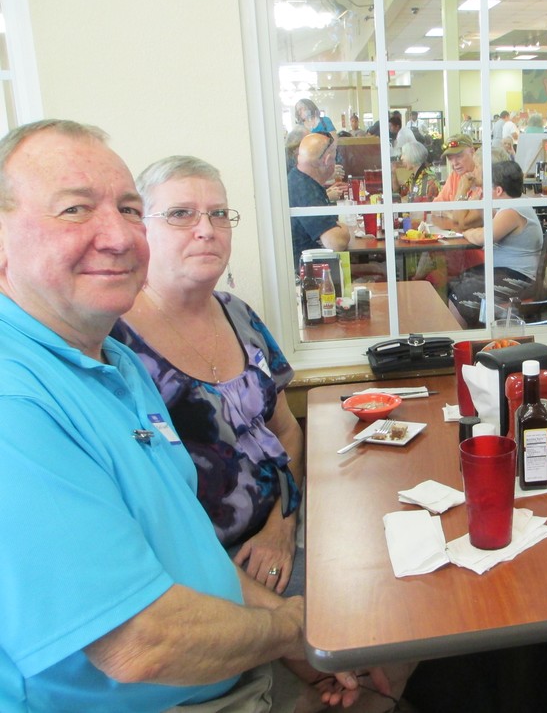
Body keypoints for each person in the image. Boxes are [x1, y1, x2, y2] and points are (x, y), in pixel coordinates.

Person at [0, 119, 384, 711]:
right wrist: (296, 631)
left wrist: (292, 623)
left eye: (128, 210)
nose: (117, 236)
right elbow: (139, 645)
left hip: (231, 645)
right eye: (75, 209)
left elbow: (189, 546)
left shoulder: (111, 362)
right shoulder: (19, 402)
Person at [111, 155, 305, 598]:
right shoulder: (113, 343)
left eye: (218, 213)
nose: (207, 229)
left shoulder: (240, 314)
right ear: (140, 227)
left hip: (284, 516)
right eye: (181, 214)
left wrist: (282, 525)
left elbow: (287, 431)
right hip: (196, 567)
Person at [447, 160, 543, 328]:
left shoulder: (511, 211)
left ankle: (464, 336)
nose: (484, 190)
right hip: (511, 272)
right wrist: (481, 204)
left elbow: (483, 237)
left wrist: (467, 233)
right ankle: (472, 328)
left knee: (461, 294)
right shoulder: (514, 205)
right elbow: (491, 222)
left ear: (498, 190)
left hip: (518, 279)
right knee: (459, 280)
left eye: (487, 187)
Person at [288, 132, 350, 266]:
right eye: (335, 158)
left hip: (315, 266)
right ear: (327, 160)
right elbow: (336, 242)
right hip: (311, 273)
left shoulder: (299, 179)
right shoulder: (305, 189)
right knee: (378, 269)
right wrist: (345, 228)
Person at [432, 133, 483, 231]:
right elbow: (435, 206)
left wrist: (455, 213)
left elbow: (465, 222)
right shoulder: (454, 176)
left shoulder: (484, 177)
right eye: (450, 159)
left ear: (472, 151)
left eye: (459, 156)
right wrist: (452, 214)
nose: (454, 163)